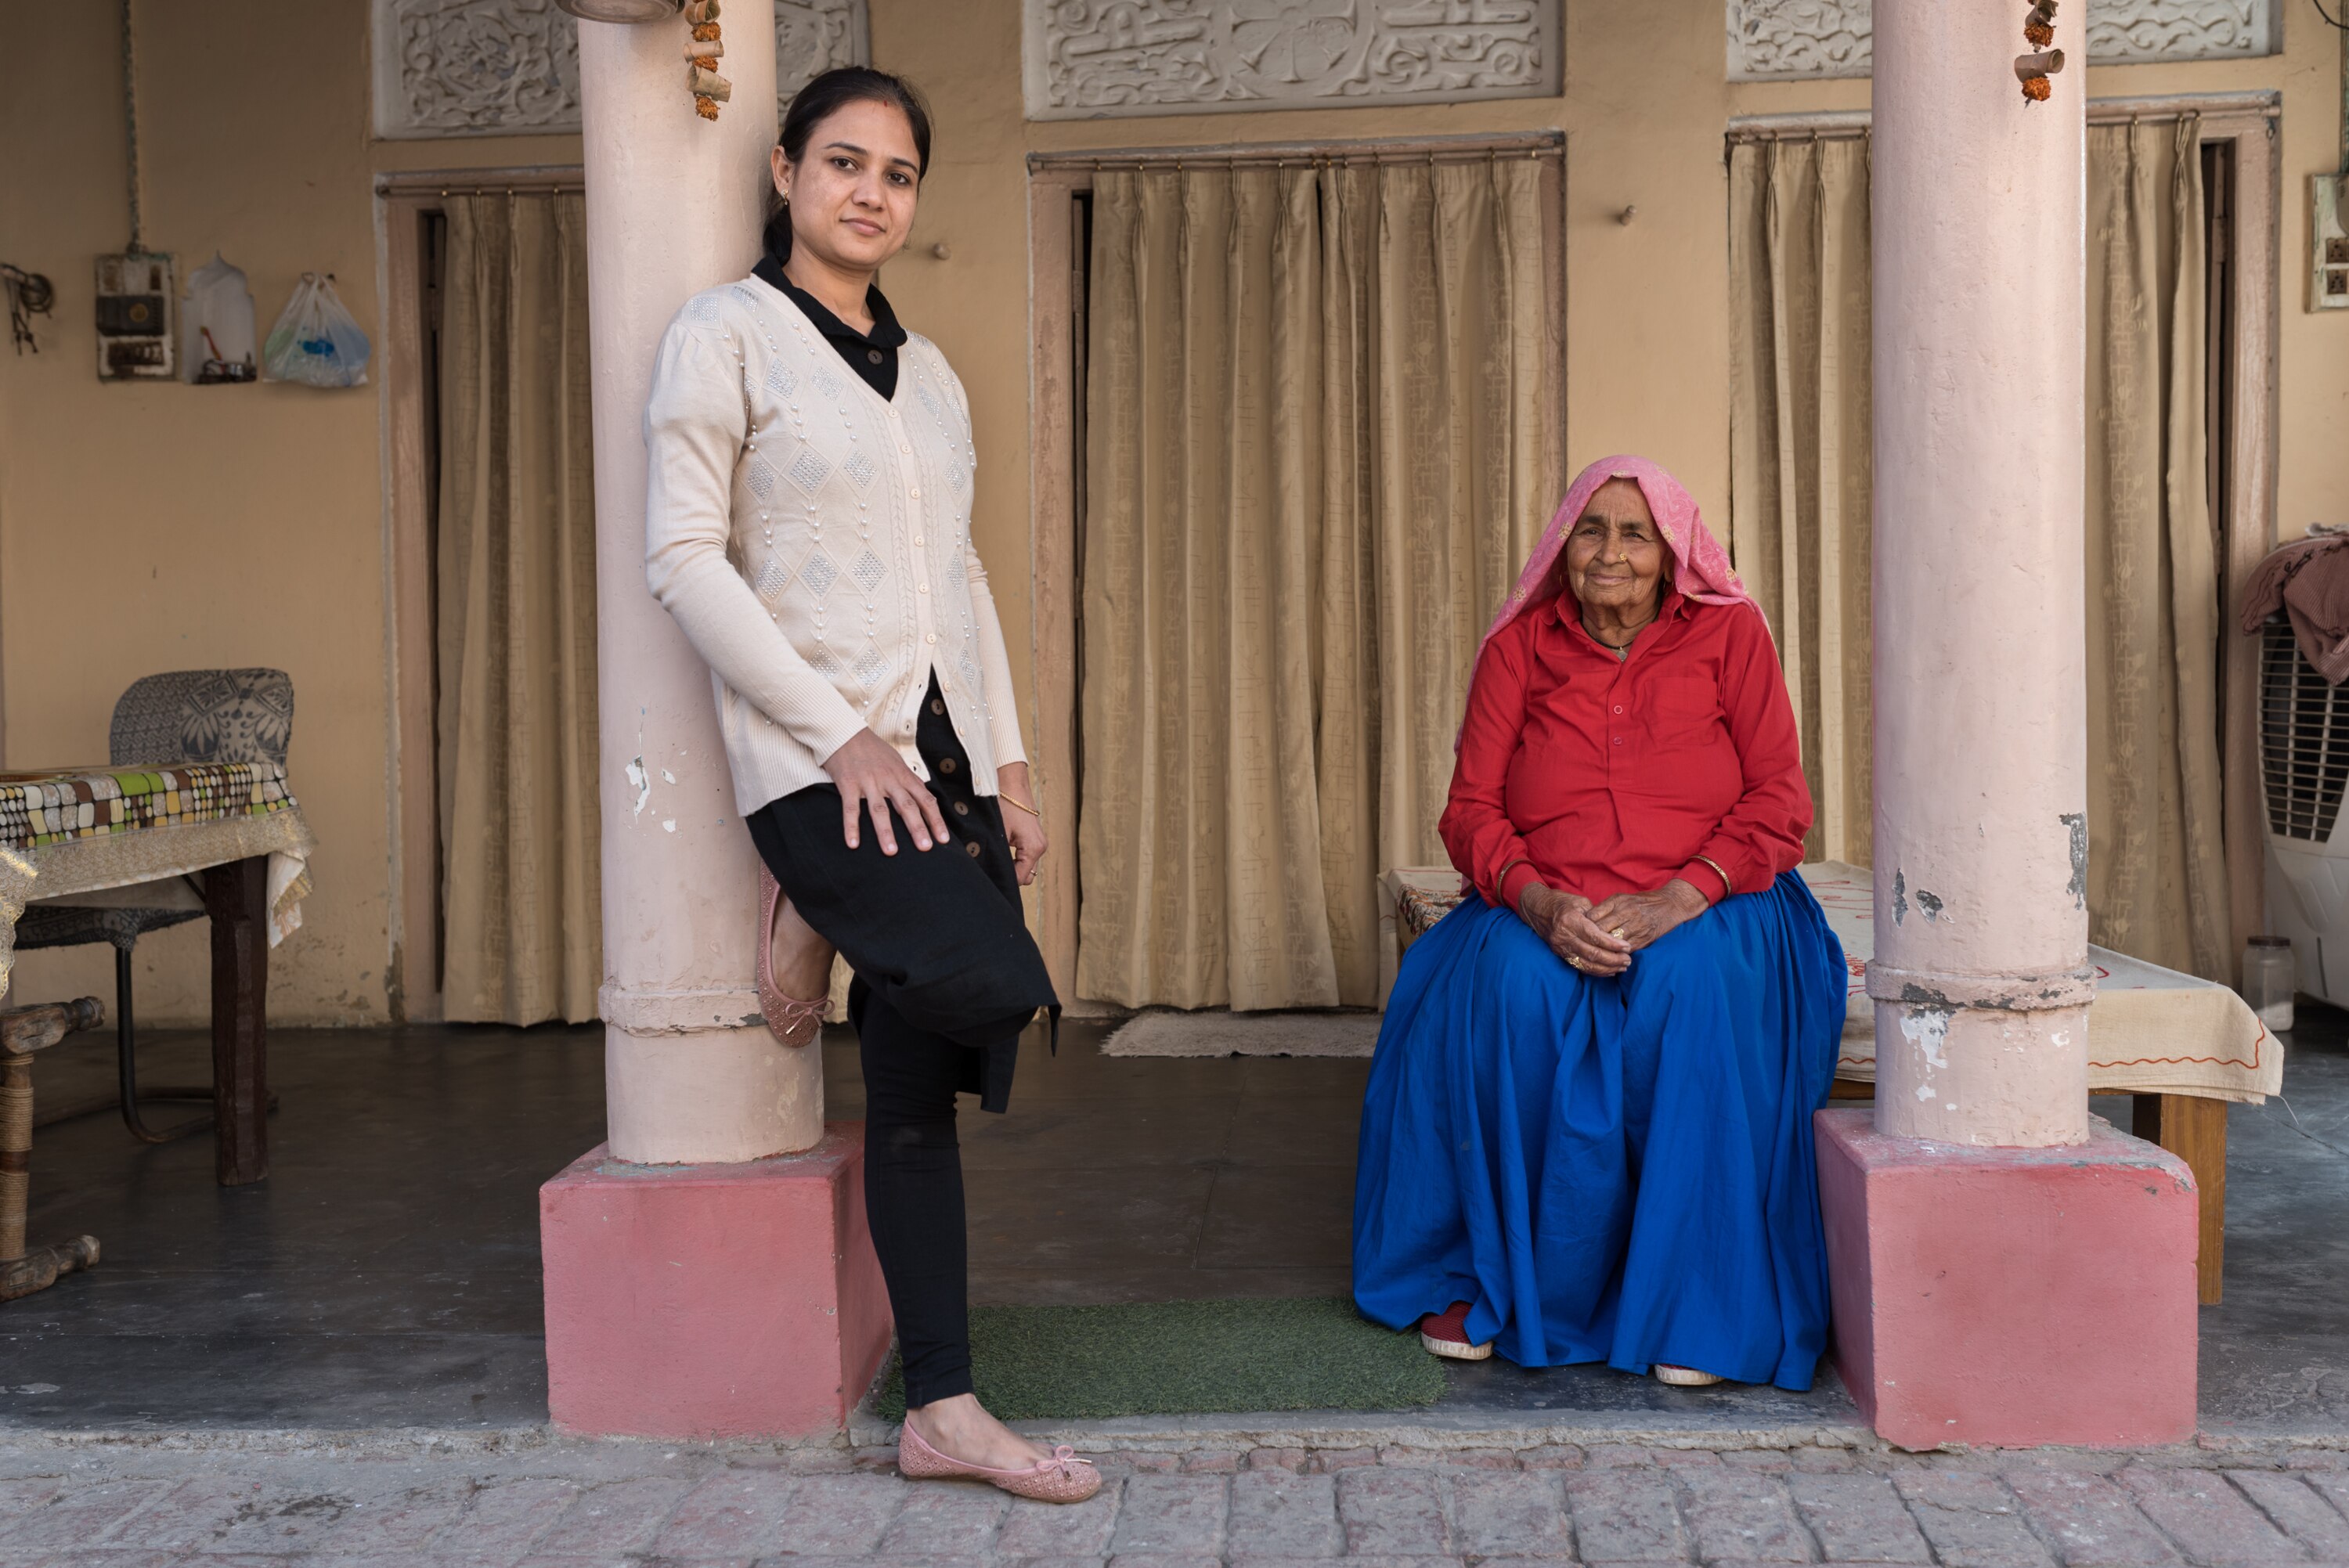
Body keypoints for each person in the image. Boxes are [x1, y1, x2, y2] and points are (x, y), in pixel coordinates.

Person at [642, 68, 1094, 1502]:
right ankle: (821, 912)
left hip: (940, 752)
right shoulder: (728, 338)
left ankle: (943, 1406)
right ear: (784, 170)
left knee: (917, 1103)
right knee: (997, 983)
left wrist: (1008, 757)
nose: (871, 194)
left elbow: (955, 575)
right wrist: (835, 739)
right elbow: (683, 559)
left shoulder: (937, 375)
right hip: (818, 760)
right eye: (844, 163)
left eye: (898, 174)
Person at [1351, 455, 1848, 1391]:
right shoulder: (1519, 649)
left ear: (1672, 555)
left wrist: (1684, 893)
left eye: (1635, 533)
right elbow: (1470, 811)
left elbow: (1781, 800)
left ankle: (1701, 1302)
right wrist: (1539, 900)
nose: (1610, 551)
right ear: (1563, 545)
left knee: (1691, 992)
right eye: (1592, 528)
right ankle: (1491, 1275)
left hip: (1711, 897)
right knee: (1507, 990)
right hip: (1545, 899)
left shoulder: (1730, 634)